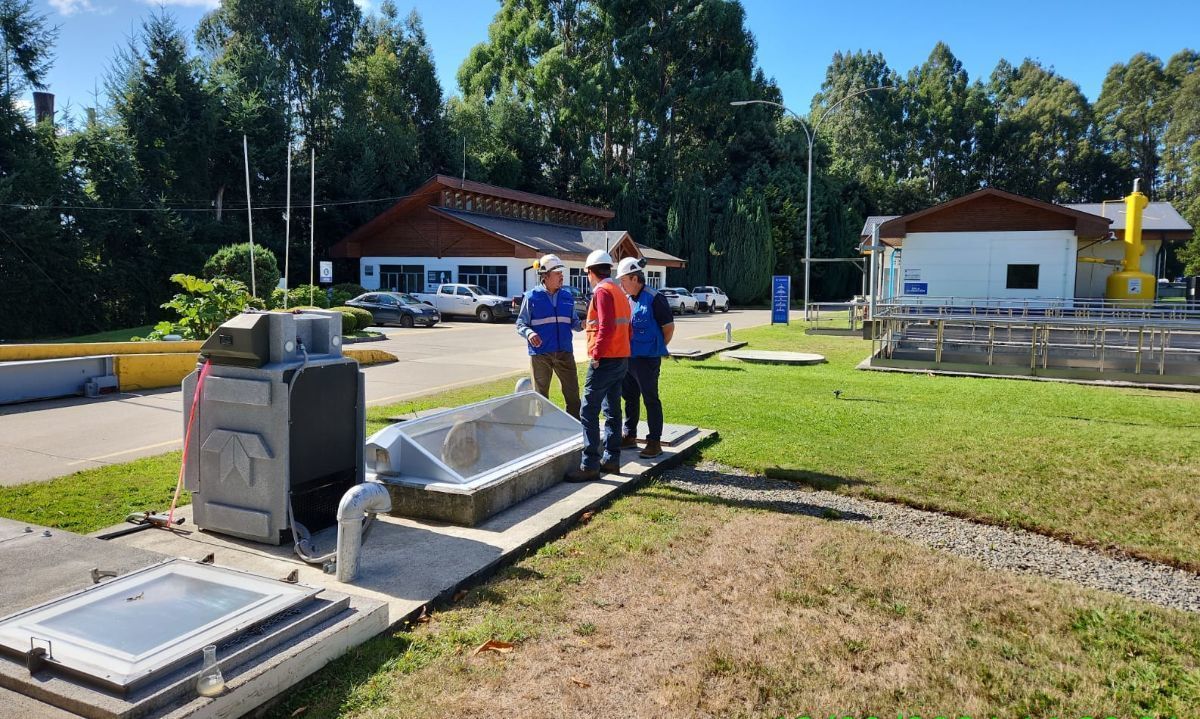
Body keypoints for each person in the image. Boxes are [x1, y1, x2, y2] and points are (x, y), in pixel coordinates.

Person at [565, 250, 631, 482]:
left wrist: (597, 353)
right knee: (612, 409)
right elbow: (625, 327)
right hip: (621, 358)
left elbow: (606, 327)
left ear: (591, 272)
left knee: (588, 409)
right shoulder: (619, 292)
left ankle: (589, 464)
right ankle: (611, 460)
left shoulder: (602, 291)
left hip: (605, 360)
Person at [614, 257, 674, 458]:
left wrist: (657, 347)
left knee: (650, 399)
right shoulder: (628, 299)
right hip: (629, 358)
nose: (621, 285)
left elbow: (668, 328)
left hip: (647, 360)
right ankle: (630, 435)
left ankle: (654, 442)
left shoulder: (655, 298)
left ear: (634, 278)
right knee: (629, 397)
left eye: (623, 280)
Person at [515, 253, 583, 418]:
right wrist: (530, 333)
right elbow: (520, 324)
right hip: (541, 354)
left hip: (565, 352)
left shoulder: (567, 297)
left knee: (573, 395)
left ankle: (574, 427)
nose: (562, 276)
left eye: (561, 273)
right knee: (540, 396)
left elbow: (573, 322)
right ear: (545, 276)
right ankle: (542, 428)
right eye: (558, 273)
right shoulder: (531, 297)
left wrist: (582, 325)